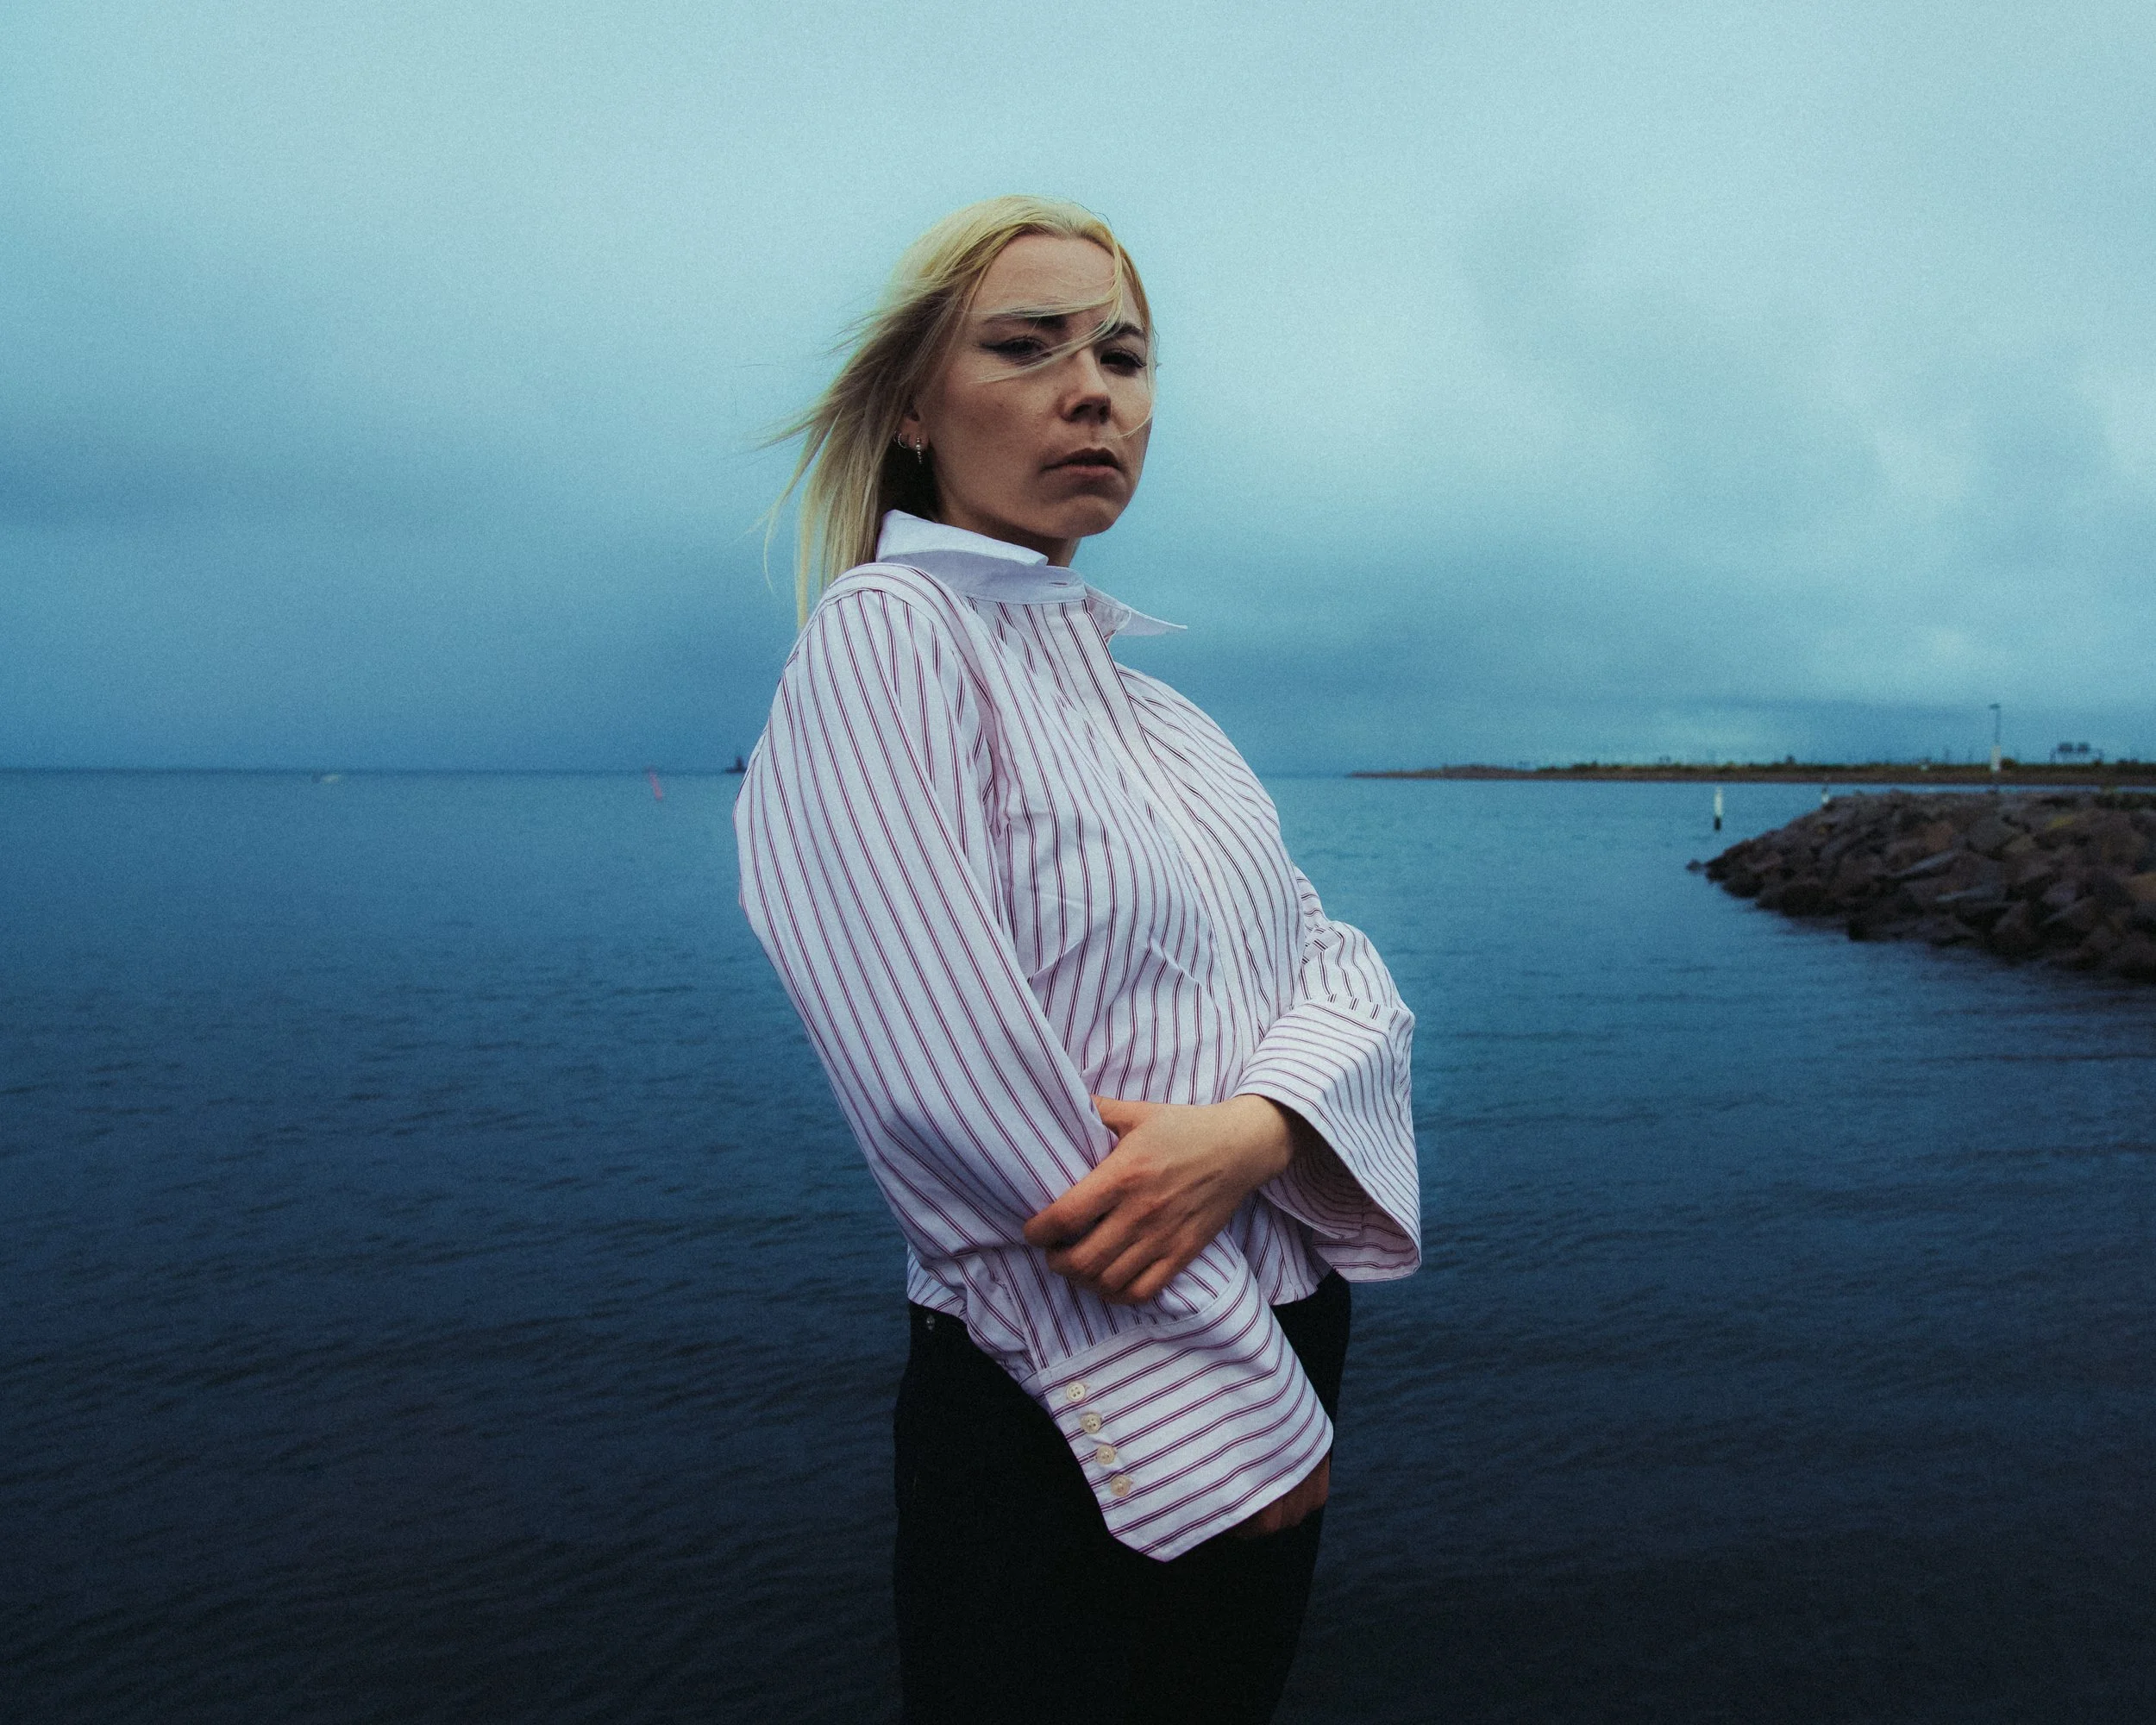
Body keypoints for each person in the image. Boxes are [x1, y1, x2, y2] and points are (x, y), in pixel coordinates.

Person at [736, 195, 1420, 1724]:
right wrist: (1216, 1409)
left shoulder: (1165, 716)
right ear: (915, 405)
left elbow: (1344, 973)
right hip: (1087, 1374)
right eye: (1027, 346)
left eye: (1123, 351)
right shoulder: (886, 637)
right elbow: (939, 1069)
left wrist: (1253, 1132)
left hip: (1279, 1312)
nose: (1092, 387)